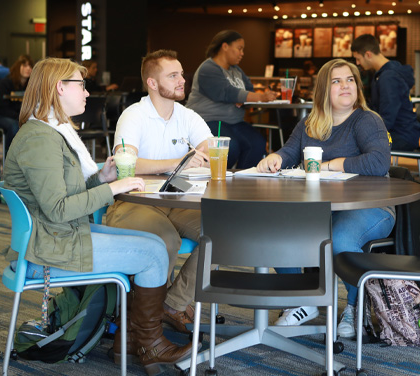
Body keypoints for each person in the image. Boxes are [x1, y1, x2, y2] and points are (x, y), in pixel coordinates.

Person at [3, 57, 192, 373]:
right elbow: (59, 208)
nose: (87, 94)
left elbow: (60, 197)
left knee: (152, 245)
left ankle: (134, 342)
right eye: (82, 85)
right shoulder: (41, 139)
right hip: (49, 250)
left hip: (55, 237)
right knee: (154, 253)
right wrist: (113, 188)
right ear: (60, 87)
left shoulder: (46, 132)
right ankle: (148, 343)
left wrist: (100, 179)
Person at [257, 58, 394, 338]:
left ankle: (355, 306)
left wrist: (331, 164)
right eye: (336, 81)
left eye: (350, 80)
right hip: (322, 207)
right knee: (275, 230)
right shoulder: (311, 123)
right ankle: (304, 300)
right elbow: (290, 152)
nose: (345, 85)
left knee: (340, 240)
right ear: (323, 89)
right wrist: (275, 158)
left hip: (370, 207)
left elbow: (379, 163)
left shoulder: (367, 120)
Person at [106, 49, 212, 336]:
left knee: (223, 231)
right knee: (165, 240)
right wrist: (179, 162)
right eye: (173, 75)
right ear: (152, 83)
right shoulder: (134, 115)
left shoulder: (187, 115)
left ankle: (172, 304)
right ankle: (143, 328)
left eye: (181, 73)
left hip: (177, 198)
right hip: (134, 201)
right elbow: (126, 162)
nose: (182, 80)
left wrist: (201, 153)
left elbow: (210, 148)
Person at [186, 30, 276, 168]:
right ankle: (220, 179)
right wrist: (258, 97)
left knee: (257, 143)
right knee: (229, 147)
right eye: (239, 48)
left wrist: (243, 96)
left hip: (235, 122)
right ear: (225, 46)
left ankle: (243, 179)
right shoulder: (208, 68)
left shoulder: (236, 70)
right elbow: (227, 93)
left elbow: (248, 90)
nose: (242, 53)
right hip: (210, 120)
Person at [351, 34, 420, 151]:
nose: (357, 63)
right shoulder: (383, 74)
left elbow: (388, 116)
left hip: (402, 136)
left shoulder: (388, 77)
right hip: (401, 132)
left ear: (368, 54)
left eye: (358, 59)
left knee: (354, 143)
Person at [0, 55, 33, 151]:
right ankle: (9, 158)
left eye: (30, 66)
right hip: (1, 116)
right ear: (17, 67)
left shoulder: (30, 86)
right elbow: (1, 107)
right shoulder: (5, 83)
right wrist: (20, 117)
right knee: (14, 126)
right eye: (24, 65)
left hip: (19, 117)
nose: (28, 68)